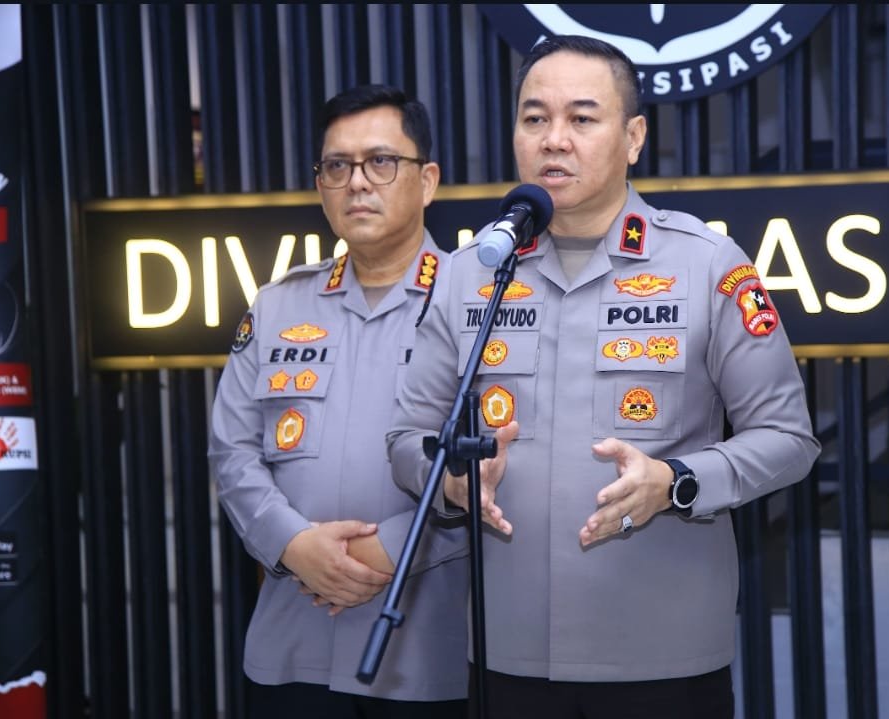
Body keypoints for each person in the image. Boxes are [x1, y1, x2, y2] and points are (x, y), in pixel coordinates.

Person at [386, 36, 821, 719]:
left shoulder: (708, 264)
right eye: (534, 118)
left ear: (633, 136)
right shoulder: (471, 274)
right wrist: (448, 482)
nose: (553, 139)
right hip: (506, 655)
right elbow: (405, 436)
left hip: (663, 658)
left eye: (581, 118)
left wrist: (674, 481)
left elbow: (788, 439)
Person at [209, 84, 469, 718]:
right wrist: (293, 545)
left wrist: (388, 551)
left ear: (427, 181)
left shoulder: (479, 306)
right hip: (294, 642)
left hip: (426, 652)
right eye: (337, 166)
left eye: (381, 161)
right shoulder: (278, 305)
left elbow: (504, 468)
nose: (357, 183)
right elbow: (232, 452)